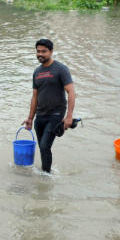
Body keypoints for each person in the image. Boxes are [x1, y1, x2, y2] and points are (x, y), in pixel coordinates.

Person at [23, 38, 76, 173]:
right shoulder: (36, 72)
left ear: (51, 52)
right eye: (38, 51)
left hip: (56, 114)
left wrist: (69, 116)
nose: (40, 54)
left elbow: (71, 92)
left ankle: (46, 175)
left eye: (44, 51)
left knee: (45, 145)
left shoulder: (60, 69)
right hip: (41, 115)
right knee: (42, 147)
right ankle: (46, 171)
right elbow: (35, 96)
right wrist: (30, 118)